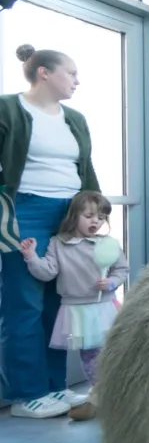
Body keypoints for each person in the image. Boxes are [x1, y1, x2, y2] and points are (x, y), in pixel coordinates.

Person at [0, 44, 99, 419]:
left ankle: (54, 387)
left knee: (59, 304)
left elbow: (85, 168)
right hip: (23, 210)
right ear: (44, 72)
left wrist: (93, 212)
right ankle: (26, 395)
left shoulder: (74, 117)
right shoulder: (8, 108)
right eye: (70, 73)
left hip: (68, 212)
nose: (77, 80)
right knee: (23, 303)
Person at [18, 190, 128, 422]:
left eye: (101, 217)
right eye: (89, 216)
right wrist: (30, 256)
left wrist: (110, 283)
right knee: (89, 355)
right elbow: (47, 272)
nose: (96, 221)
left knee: (110, 352)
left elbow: (122, 270)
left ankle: (109, 393)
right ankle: (101, 394)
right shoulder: (58, 244)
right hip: (76, 310)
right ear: (74, 216)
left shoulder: (108, 244)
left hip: (105, 307)